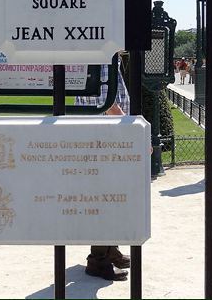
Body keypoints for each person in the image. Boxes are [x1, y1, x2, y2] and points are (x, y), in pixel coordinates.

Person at [75, 56, 131, 281]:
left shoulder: (106, 53)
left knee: (107, 197)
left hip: (101, 134)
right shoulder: (102, 52)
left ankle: (109, 250)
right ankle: (98, 259)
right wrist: (132, 132)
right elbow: (105, 101)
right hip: (105, 136)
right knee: (104, 200)